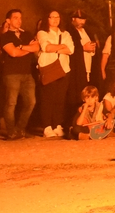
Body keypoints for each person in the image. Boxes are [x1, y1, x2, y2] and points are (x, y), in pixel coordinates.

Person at [0, 9, 39, 140]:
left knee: (31, 102)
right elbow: (13, 53)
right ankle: (11, 132)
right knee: (11, 103)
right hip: (11, 74)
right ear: (8, 21)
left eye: (20, 17)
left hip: (27, 74)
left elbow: (37, 48)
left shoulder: (26, 34)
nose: (19, 20)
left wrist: (21, 47)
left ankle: (20, 129)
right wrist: (27, 48)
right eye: (15, 18)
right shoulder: (5, 36)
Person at [37, 10, 74, 138]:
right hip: (49, 68)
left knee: (60, 99)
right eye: (52, 17)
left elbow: (71, 49)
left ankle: (57, 124)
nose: (55, 19)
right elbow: (45, 47)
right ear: (47, 19)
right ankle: (47, 126)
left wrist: (56, 47)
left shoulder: (66, 33)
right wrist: (62, 46)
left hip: (64, 69)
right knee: (48, 99)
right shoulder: (42, 33)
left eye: (57, 17)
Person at [66, 9, 98, 125]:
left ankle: (86, 121)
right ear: (73, 19)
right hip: (76, 68)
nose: (81, 21)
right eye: (79, 19)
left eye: (83, 19)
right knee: (75, 96)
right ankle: (73, 123)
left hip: (87, 67)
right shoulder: (69, 32)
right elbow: (70, 48)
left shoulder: (87, 31)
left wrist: (92, 48)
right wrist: (83, 48)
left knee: (85, 94)